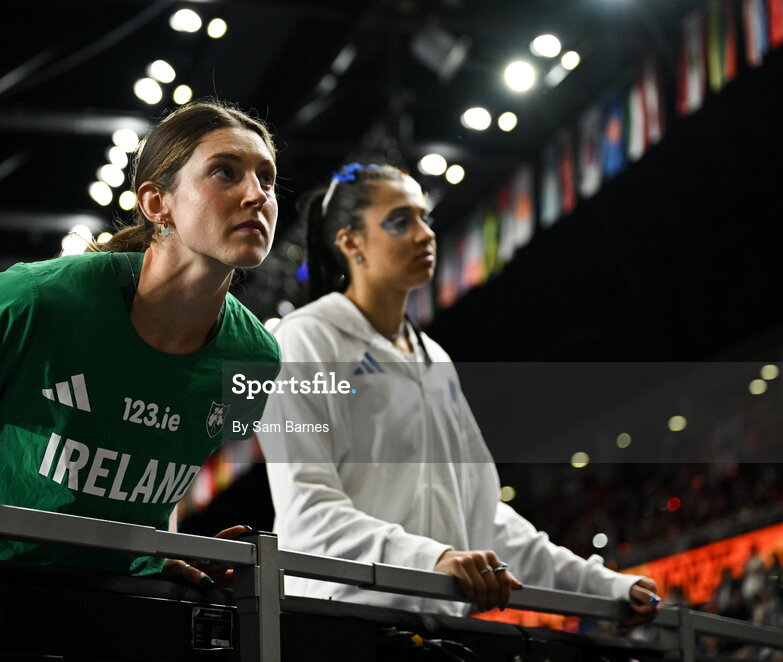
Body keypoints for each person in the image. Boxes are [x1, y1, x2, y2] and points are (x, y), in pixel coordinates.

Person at [0, 101, 282, 586]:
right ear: (156, 203)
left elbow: (151, 484)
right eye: (225, 173)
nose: (257, 195)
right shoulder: (35, 300)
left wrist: (158, 556)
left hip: (106, 612)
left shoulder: (254, 358)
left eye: (267, 179)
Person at [258, 163, 659, 626]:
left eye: (425, 218)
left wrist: (603, 585)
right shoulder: (303, 340)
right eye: (400, 221)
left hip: (436, 630)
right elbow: (306, 508)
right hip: (334, 622)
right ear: (350, 242)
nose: (425, 234)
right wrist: (432, 558)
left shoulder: (436, 361)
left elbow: (484, 515)